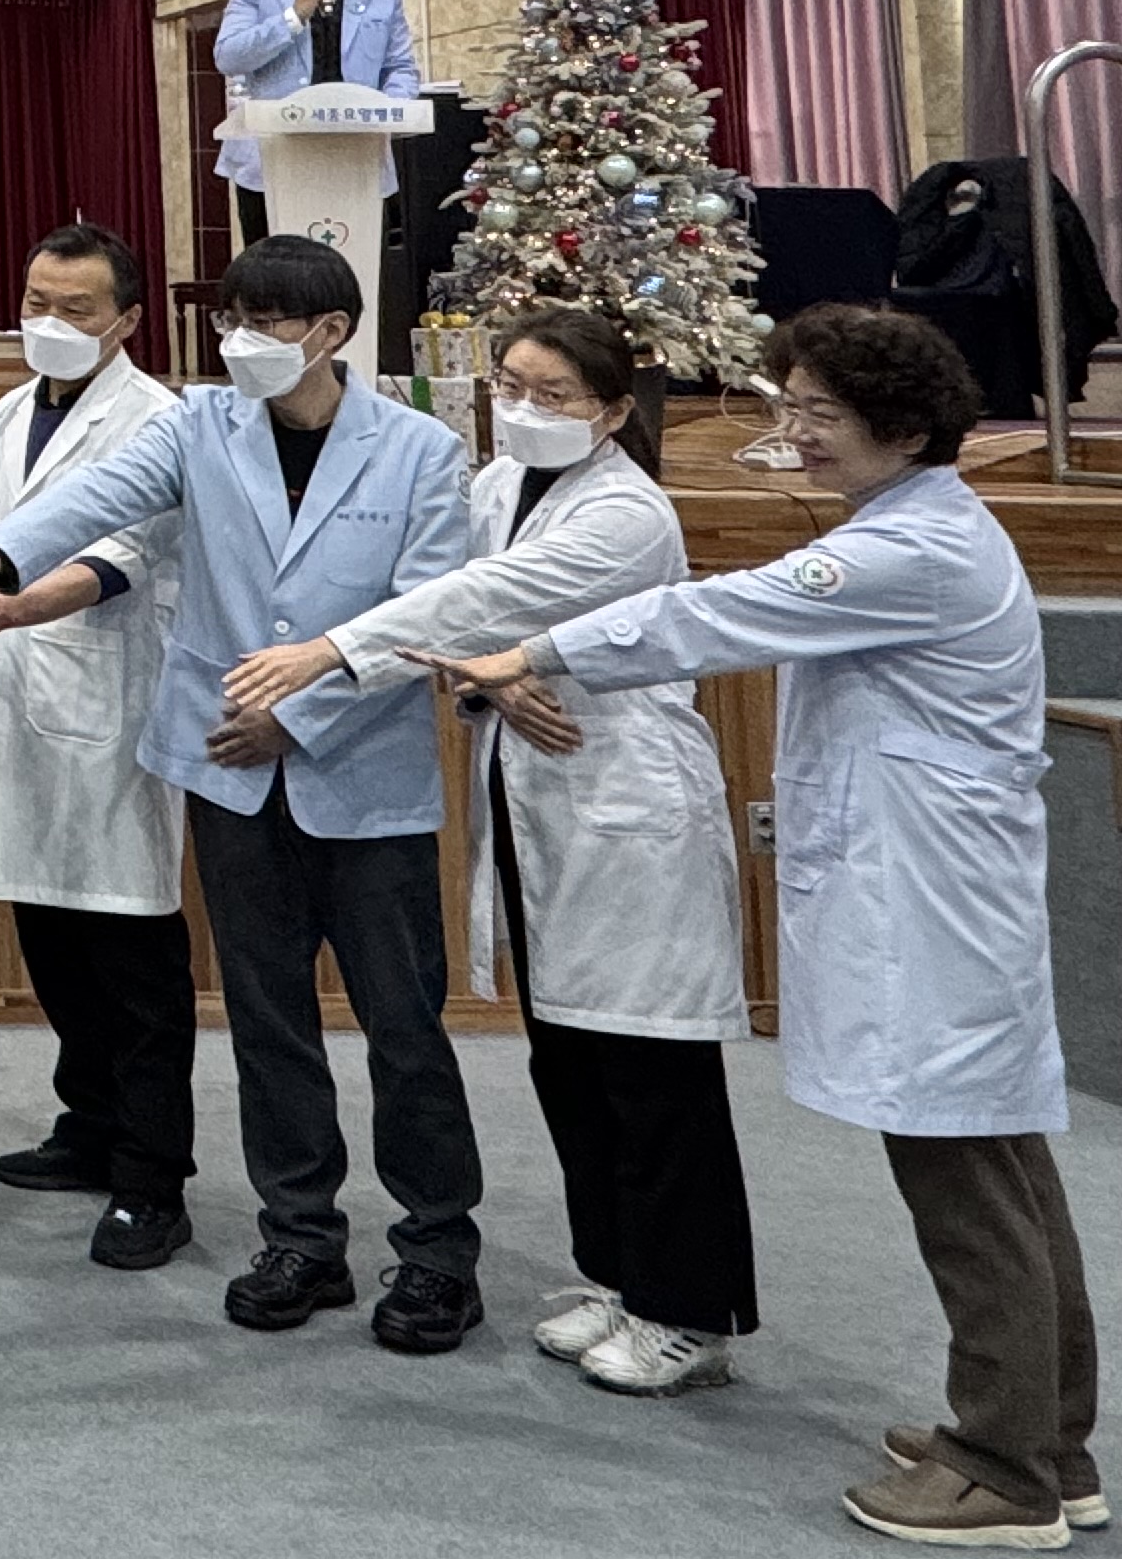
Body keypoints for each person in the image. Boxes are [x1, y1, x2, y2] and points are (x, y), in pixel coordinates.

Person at [427, 307, 1093, 1546]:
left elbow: (708, 616)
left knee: (967, 1180)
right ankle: (1050, 1439)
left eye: (822, 415)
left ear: (906, 430)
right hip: (925, 895)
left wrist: (524, 651)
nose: (796, 434)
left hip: (931, 908)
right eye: (792, 407)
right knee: (991, 1161)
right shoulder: (902, 526)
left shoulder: (912, 547)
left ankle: (1009, 1470)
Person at [0, 231, 487, 1355]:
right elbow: (97, 497)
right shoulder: (202, 424)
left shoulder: (419, 450)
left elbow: (427, 614)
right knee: (268, 1024)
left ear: (330, 333)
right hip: (230, 772)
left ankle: (435, 1252)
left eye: (267, 324)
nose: (242, 343)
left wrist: (297, 711)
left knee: (403, 1028)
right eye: (231, 322)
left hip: (360, 780)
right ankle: (301, 1235)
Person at [224, 304, 756, 1394]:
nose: (523, 408)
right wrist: (494, 681)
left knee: (652, 1068)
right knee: (571, 1056)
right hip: (533, 798)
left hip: (627, 804)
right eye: (510, 386)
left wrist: (333, 652)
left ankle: (691, 1311)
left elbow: (484, 601)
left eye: (552, 394)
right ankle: (619, 1277)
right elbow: (469, 631)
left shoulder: (629, 512)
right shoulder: (499, 485)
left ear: (614, 409)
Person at [0, 224, 192, 1270]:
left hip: (111, 701)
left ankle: (151, 1177)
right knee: (48, 933)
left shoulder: (160, 419)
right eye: (36, 301)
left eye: (75, 308)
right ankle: (88, 1124)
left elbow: (125, 555)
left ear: (126, 320)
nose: (49, 322)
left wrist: (9, 607)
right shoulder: (7, 412)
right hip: (16, 698)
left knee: (130, 956)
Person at [214, 0, 419, 247]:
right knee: (277, 268)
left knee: (359, 263)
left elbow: (399, 67)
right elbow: (229, 56)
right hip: (274, 162)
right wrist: (293, 16)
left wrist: (392, 109)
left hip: (356, 156)